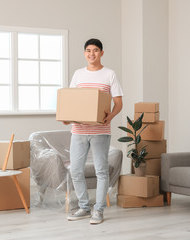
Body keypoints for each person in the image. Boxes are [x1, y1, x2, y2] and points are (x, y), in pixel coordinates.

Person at [65, 38, 123, 224]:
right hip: (79, 130)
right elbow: (72, 100)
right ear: (84, 53)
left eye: (96, 50)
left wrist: (110, 116)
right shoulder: (78, 74)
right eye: (88, 50)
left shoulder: (109, 74)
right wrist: (67, 116)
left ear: (102, 53)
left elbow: (118, 103)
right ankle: (84, 207)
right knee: (75, 170)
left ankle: (98, 210)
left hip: (100, 131)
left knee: (101, 171)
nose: (92, 54)